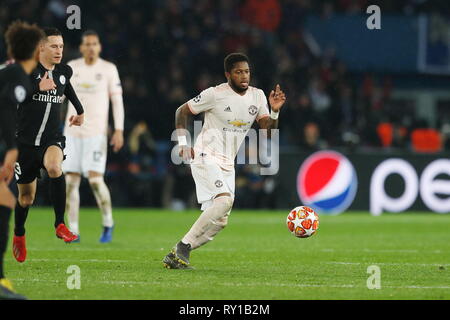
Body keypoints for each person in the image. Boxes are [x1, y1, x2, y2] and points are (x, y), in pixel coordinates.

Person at [163, 53, 286, 269]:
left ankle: (178, 252)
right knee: (224, 200)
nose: (244, 76)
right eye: (238, 72)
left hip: (227, 163)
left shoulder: (257, 97)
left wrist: (274, 111)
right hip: (204, 155)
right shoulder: (215, 94)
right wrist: (182, 143)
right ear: (228, 74)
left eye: (246, 71)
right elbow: (181, 111)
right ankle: (182, 248)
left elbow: (268, 133)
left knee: (221, 221)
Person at [12, 27, 85, 263]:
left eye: (61, 46)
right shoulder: (27, 70)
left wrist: (80, 110)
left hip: (51, 139)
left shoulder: (64, 71)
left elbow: (67, 87)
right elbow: (12, 96)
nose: (59, 51)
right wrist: (36, 88)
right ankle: (19, 234)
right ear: (41, 47)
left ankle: (60, 224)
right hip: (24, 144)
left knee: (55, 167)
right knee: (26, 199)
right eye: (54, 46)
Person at [63, 30, 124, 243]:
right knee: (70, 182)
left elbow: (117, 101)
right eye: (87, 44)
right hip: (71, 132)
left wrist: (118, 130)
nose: (91, 47)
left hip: (96, 134)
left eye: (94, 44)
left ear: (99, 47)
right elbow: (59, 98)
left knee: (96, 181)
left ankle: (108, 223)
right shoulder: (72, 67)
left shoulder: (108, 69)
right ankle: (74, 230)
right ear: (81, 47)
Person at [0, 21, 45, 299]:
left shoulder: (8, 70)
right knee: (5, 200)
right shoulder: (17, 75)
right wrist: (12, 148)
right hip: (8, 146)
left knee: (5, 200)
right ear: (37, 51)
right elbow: (6, 105)